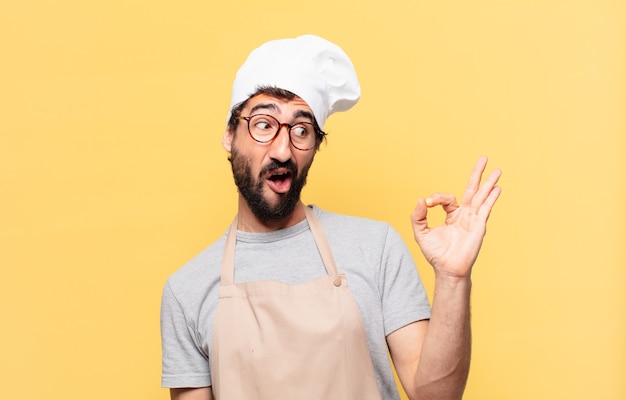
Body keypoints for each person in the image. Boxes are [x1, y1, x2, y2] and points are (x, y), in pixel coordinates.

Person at [160, 34, 502, 400]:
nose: (282, 149)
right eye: (263, 124)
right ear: (230, 134)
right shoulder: (187, 291)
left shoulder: (375, 248)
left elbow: (436, 396)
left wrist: (453, 279)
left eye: (301, 130)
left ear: (315, 147)